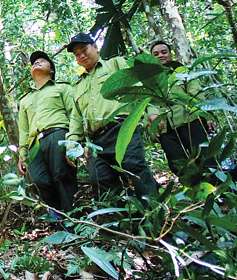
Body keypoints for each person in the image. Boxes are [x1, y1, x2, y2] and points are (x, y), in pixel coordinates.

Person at [65, 33, 158, 201]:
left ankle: (155, 217)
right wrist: (72, 144)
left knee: (136, 170)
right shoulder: (78, 86)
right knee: (100, 181)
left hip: (121, 128)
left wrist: (151, 111)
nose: (82, 56)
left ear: (95, 47)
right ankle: (123, 223)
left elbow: (138, 88)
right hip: (95, 141)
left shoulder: (116, 64)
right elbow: (76, 118)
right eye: (77, 54)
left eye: (84, 50)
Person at [17, 51, 78, 214]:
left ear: (51, 70)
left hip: (58, 135)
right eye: (34, 63)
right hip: (34, 145)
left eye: (42, 61)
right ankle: (59, 216)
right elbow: (23, 130)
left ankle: (72, 219)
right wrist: (22, 155)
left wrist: (73, 140)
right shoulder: (24, 100)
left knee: (62, 176)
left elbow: (74, 114)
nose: (36, 63)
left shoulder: (63, 88)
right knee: (38, 180)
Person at [146, 40, 214, 177]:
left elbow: (197, 94)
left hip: (191, 123)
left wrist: (207, 116)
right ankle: (196, 195)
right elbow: (149, 105)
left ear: (171, 55)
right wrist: (152, 128)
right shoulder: (151, 82)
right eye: (156, 54)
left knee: (206, 161)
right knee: (179, 167)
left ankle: (218, 193)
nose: (160, 55)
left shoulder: (182, 72)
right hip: (168, 131)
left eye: (164, 52)